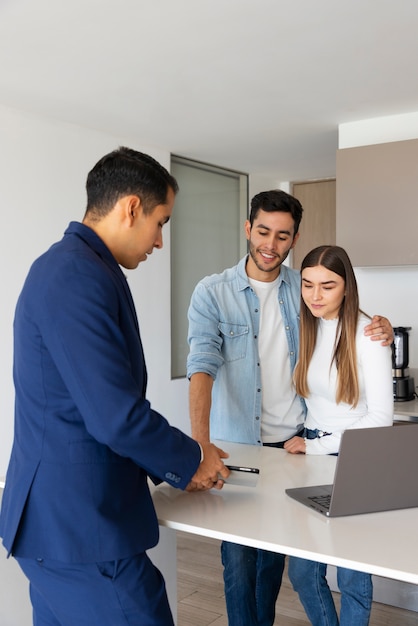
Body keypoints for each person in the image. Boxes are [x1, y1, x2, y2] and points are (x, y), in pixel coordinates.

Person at [0, 147, 230, 626]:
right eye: (162, 222)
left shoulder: (82, 267)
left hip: (65, 527)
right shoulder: (74, 275)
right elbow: (114, 415)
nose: (160, 242)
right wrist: (190, 459)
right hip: (79, 528)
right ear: (130, 208)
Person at [187, 189, 393, 626]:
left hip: (293, 446)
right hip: (240, 445)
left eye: (283, 236)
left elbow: (344, 313)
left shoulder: (301, 289)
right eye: (263, 231)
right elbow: (201, 366)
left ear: (294, 238)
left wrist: (381, 325)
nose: (271, 244)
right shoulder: (213, 292)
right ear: (248, 229)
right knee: (240, 562)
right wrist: (200, 443)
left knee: (280, 563)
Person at [284, 245, 393, 625]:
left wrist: (317, 445)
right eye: (307, 284)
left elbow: (380, 419)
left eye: (327, 286)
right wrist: (311, 446)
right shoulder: (308, 325)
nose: (315, 295)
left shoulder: (369, 335)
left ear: (347, 287)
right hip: (311, 457)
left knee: (351, 574)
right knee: (301, 571)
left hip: (352, 460)